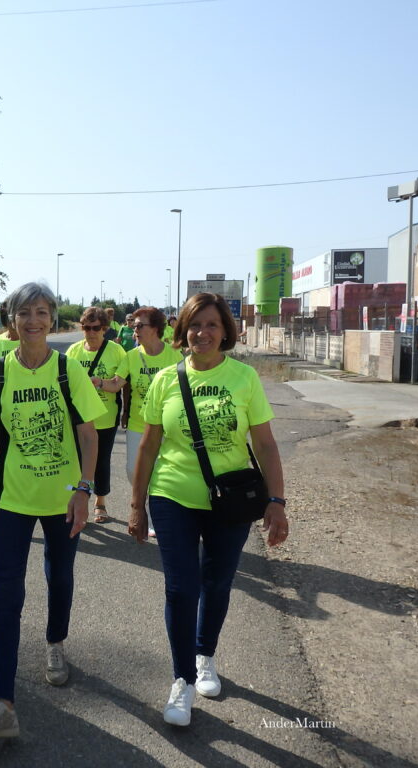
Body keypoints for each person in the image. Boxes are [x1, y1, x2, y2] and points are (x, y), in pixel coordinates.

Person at [128, 292, 288, 727]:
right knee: (181, 589)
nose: (203, 333)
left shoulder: (244, 378)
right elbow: (148, 447)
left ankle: (205, 655)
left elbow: (265, 444)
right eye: (195, 325)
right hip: (172, 494)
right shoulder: (166, 380)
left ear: (225, 331)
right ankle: (181, 680)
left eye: (212, 324)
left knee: (216, 584)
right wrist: (137, 505)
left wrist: (277, 501)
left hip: (231, 500)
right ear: (183, 331)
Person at [0, 282, 103, 739]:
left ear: (52, 319)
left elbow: (89, 435)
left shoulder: (67, 370)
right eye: (24, 312)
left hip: (63, 498)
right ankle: (1, 702)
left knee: (59, 576)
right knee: (7, 595)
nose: (33, 321)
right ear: (12, 320)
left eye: (42, 312)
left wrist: (83, 490)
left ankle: (55, 642)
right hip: (11, 499)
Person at [120, 306, 183, 536]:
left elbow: (183, 387)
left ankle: (154, 510)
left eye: (139, 325)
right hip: (138, 423)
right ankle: (144, 498)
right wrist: (97, 383)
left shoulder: (174, 355)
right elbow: (117, 383)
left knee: (161, 469)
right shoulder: (131, 356)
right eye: (133, 325)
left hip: (167, 425)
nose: (134, 329)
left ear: (155, 328)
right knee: (132, 470)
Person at [65, 307, 127, 523]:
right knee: (77, 462)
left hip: (105, 417)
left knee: (101, 461)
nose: (90, 332)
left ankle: (100, 503)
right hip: (78, 418)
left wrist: (99, 383)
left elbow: (121, 383)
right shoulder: (73, 351)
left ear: (105, 329)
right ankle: (77, 502)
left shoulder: (116, 351)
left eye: (95, 328)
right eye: (86, 328)